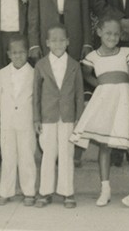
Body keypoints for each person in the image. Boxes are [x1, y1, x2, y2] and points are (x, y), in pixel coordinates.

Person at [70, 17, 129, 207]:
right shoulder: (93, 56)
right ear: (99, 32)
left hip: (124, 100)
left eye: (117, 34)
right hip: (104, 102)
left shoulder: (127, 52)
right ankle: (105, 189)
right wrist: (101, 85)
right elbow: (85, 74)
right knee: (104, 145)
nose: (112, 37)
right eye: (108, 33)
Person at [33, 26, 85, 209]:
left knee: (67, 153)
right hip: (47, 116)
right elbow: (36, 94)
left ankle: (67, 191)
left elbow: (79, 94)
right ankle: (45, 192)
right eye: (53, 40)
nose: (58, 44)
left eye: (62, 40)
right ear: (47, 43)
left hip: (68, 116)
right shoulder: (41, 65)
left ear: (68, 41)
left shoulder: (74, 65)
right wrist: (36, 118)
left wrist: (79, 118)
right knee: (48, 153)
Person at [0, 35, 37, 206]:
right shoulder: (1, 73)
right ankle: (6, 191)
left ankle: (29, 191)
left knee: (27, 156)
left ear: (27, 53)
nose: (18, 56)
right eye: (14, 52)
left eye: (21, 52)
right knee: (8, 156)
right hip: (8, 122)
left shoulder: (34, 73)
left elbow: (35, 98)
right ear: (8, 54)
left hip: (26, 121)